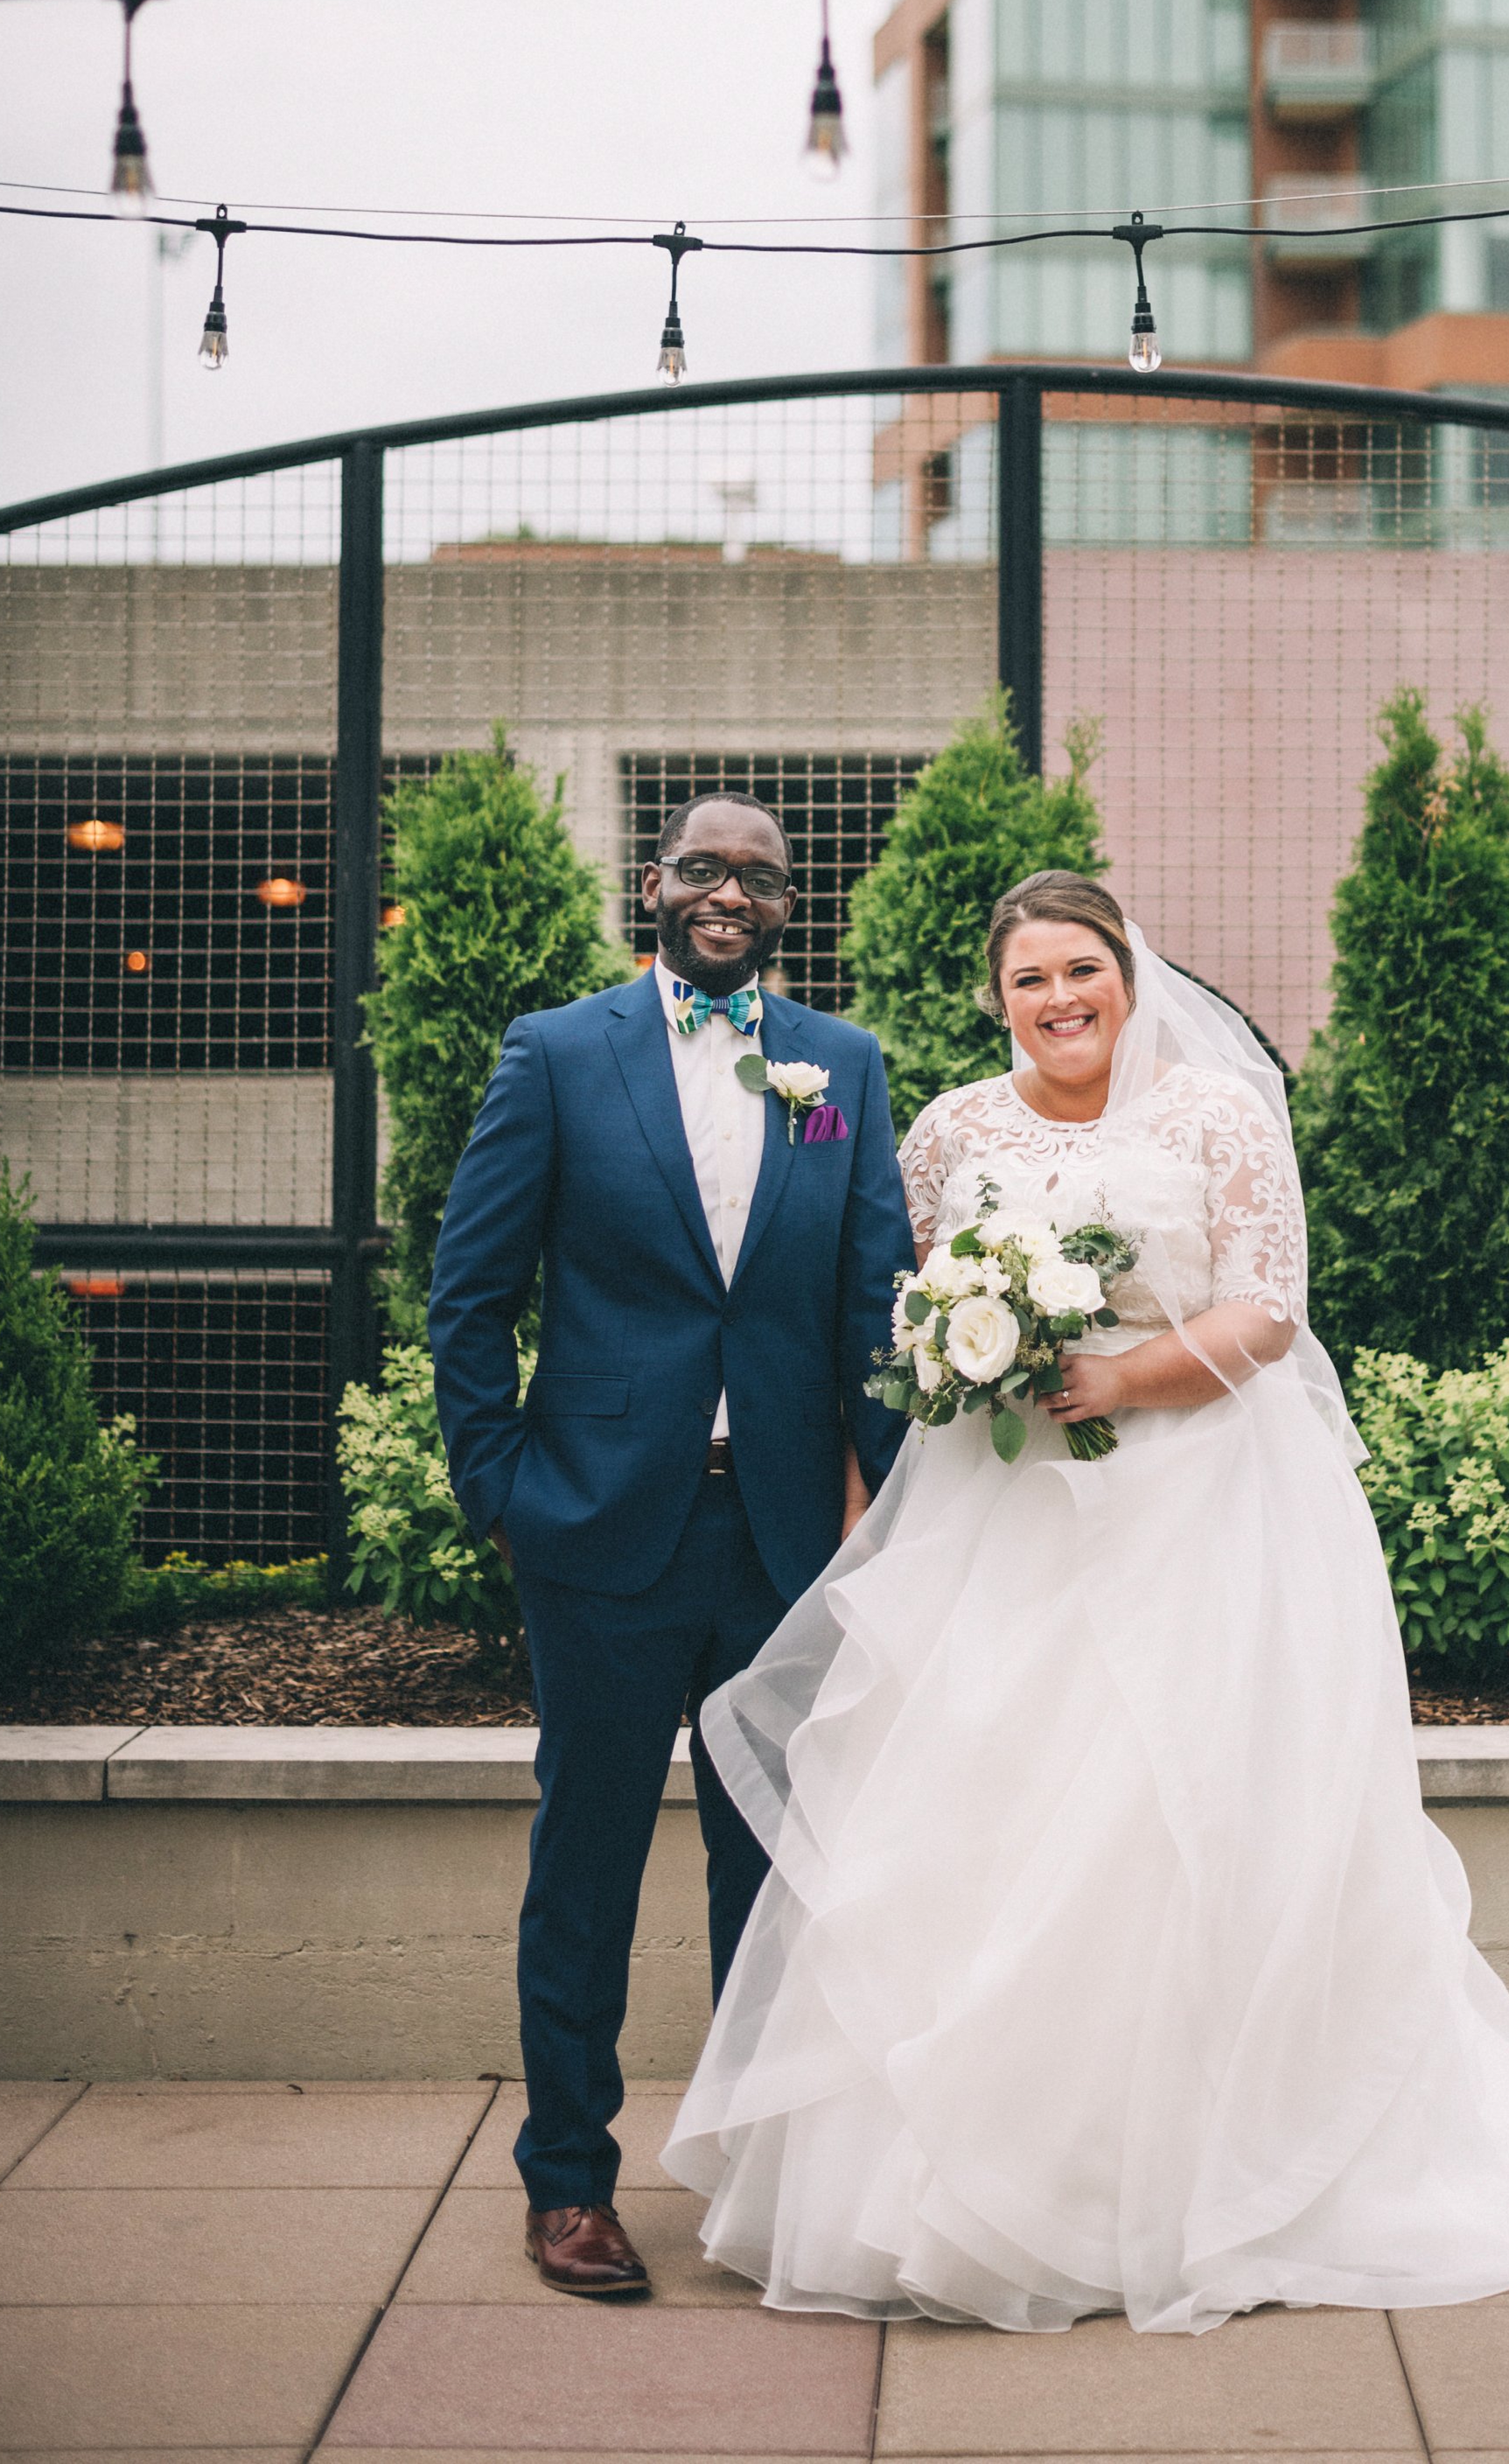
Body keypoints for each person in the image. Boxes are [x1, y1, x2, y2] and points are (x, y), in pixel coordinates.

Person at [663, 868, 1509, 2334]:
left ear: (1127, 972)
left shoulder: (1216, 1114)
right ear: (996, 1001)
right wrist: (968, 1355)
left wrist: (1118, 1372)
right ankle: (985, 2181)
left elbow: (1267, 1304)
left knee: (1175, 1829)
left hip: (1196, 1510)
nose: (1058, 1001)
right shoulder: (950, 1132)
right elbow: (916, 1303)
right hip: (1001, 1521)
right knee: (987, 1823)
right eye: (1028, 981)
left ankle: (1198, 2181)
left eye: (1081, 969)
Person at [428, 793, 909, 2300]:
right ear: (656, 883)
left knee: (765, 1875)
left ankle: (757, 2180)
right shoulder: (558, 1053)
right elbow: (468, 1290)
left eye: (760, 876)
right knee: (586, 1864)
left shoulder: (838, 1067)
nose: (729, 893)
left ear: (785, 905)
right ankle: (567, 2181)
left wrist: (893, 1531)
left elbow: (871, 1308)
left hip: (778, 1544)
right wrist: (502, 1489)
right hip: (598, 1532)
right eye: (703, 868)